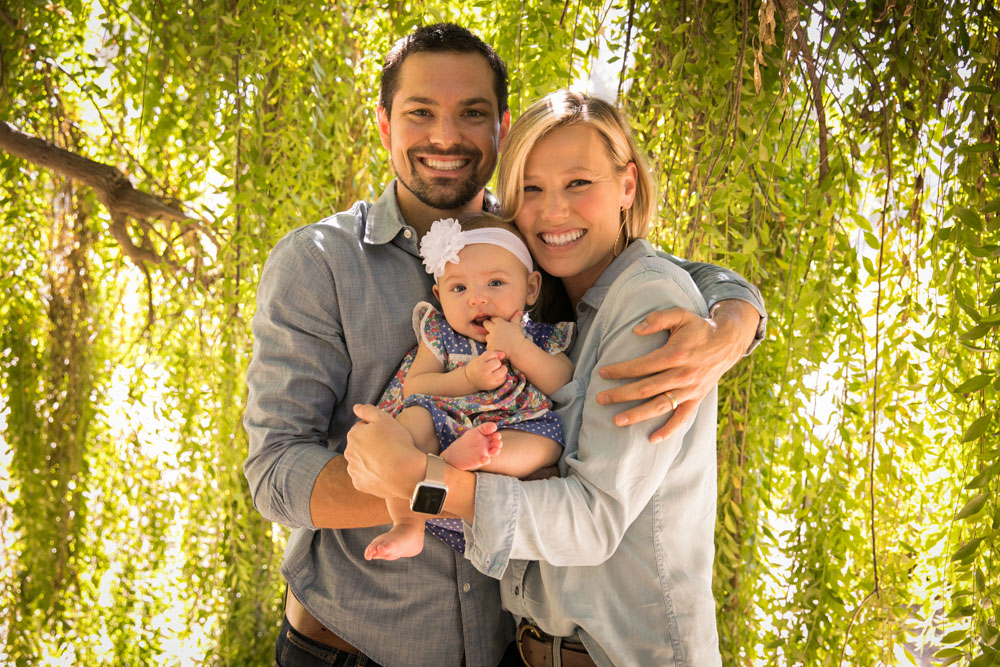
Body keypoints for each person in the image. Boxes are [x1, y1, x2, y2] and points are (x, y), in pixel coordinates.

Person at [244, 23, 765, 667]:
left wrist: (737, 316)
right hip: (354, 650)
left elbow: (653, 270)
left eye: (472, 113)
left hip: (506, 652)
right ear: (383, 125)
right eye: (420, 113)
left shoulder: (531, 238)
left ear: (500, 128)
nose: (444, 136)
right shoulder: (319, 262)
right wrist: (411, 481)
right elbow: (273, 474)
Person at [345, 90, 728, 665]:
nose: (553, 212)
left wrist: (421, 478)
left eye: (579, 183)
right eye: (530, 189)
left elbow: (594, 521)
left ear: (627, 187)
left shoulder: (647, 305)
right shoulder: (551, 301)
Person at [366, 213, 573, 562]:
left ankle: (453, 468)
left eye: (495, 283)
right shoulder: (442, 335)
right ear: (439, 295)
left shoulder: (537, 338)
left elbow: (563, 381)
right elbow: (414, 386)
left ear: (531, 287)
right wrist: (467, 380)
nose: (476, 299)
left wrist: (520, 348)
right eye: (459, 288)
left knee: (547, 447)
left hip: (516, 427)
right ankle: (408, 524)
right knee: (404, 429)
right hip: (446, 419)